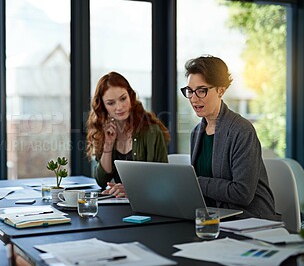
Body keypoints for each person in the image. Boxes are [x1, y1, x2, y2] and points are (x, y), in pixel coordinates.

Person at [181, 55, 279, 220]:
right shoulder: (197, 132)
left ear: (221, 90)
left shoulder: (241, 130)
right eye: (190, 91)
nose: (194, 98)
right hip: (214, 217)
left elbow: (242, 193)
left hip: (248, 219)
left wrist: (195, 182)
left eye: (201, 90)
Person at [86, 71, 170, 197]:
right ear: (103, 106)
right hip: (118, 204)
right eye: (111, 103)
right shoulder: (105, 130)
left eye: (123, 98)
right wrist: (108, 145)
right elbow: (102, 181)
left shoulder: (151, 130)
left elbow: (163, 180)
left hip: (149, 204)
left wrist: (132, 189)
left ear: (130, 96)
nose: (119, 107)